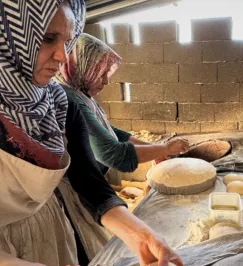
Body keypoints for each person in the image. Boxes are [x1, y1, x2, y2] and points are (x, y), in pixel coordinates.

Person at [0, 1, 186, 266]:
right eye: (48, 38)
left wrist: (141, 235)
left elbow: (88, 184)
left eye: (68, 41)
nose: (64, 56)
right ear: (3, 33)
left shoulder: (61, 105)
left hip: (53, 234)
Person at [55, 33, 189, 176]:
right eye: (101, 74)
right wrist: (167, 148)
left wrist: (156, 149)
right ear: (83, 68)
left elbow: (111, 133)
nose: (106, 81)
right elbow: (113, 154)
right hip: (78, 184)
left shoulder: (79, 91)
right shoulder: (70, 100)